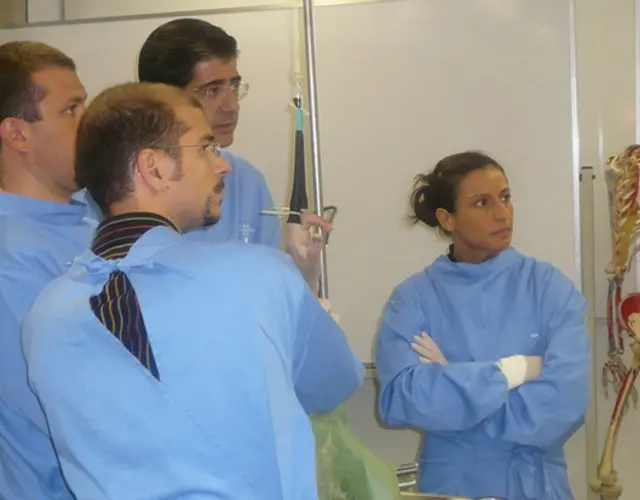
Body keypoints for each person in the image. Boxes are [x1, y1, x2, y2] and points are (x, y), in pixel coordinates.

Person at [21, 82, 364, 499]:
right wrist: (304, 285)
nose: (223, 166)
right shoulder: (259, 278)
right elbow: (334, 382)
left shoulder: (44, 318)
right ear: (154, 168)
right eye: (206, 148)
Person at [374, 151, 590, 500]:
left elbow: (564, 405)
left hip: (535, 486)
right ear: (447, 218)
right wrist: (511, 372)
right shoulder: (414, 298)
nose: (502, 213)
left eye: (505, 197)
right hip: (453, 487)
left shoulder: (549, 289)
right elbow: (401, 398)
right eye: (481, 203)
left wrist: (453, 383)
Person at [136, 18, 328, 292]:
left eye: (235, 87)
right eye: (213, 91)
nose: (232, 105)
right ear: (163, 100)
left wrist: (301, 272)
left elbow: (268, 295)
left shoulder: (245, 182)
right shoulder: (120, 187)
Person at [0, 41, 94, 498]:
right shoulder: (10, 256)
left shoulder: (89, 221)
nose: (90, 123)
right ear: (17, 134)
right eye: (71, 110)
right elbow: (58, 409)